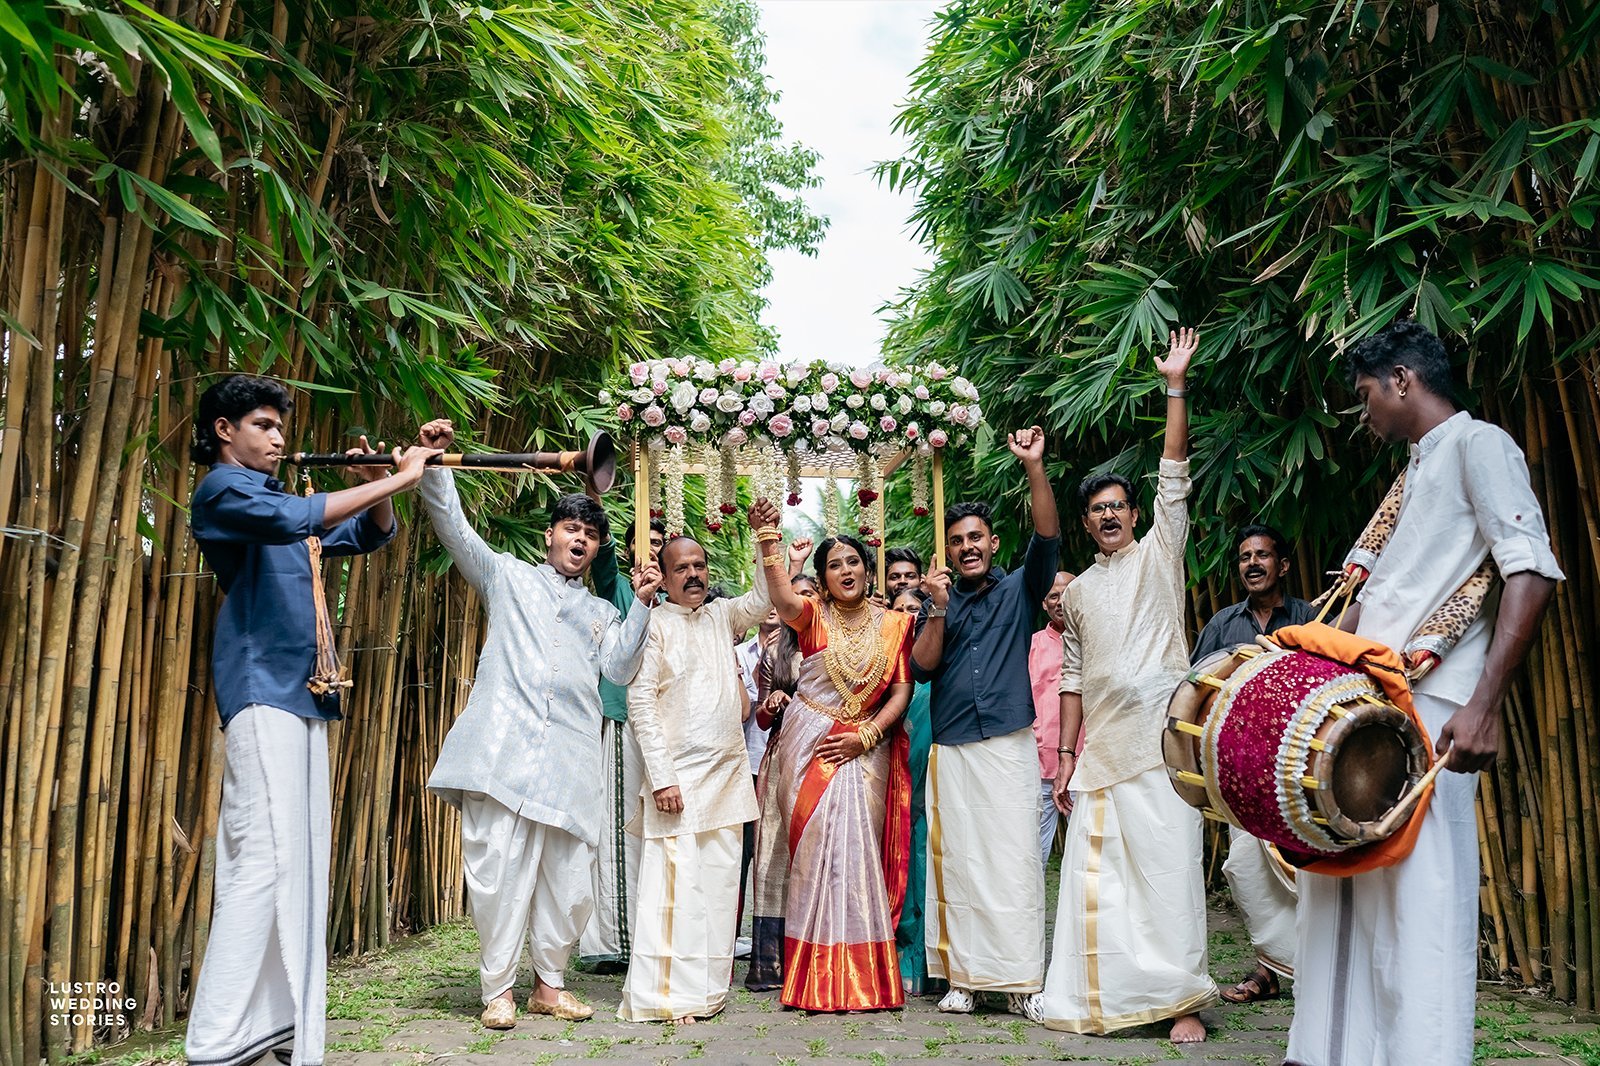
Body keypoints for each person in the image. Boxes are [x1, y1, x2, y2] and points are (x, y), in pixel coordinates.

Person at [1288, 321, 1561, 1066]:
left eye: (1367, 393)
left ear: (1404, 379)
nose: (1364, 410)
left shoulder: (1482, 445)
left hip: (1436, 711)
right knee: (1346, 896)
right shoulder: (1416, 465)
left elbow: (1529, 570)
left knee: (1422, 902)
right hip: (1371, 706)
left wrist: (1484, 704)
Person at [185, 376, 436, 1066]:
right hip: (260, 684)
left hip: (307, 690)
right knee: (261, 857)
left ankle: (267, 1026)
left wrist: (377, 483)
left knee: (295, 860)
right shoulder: (223, 491)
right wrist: (401, 477)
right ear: (224, 429)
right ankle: (215, 1041)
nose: (277, 437)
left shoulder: (274, 498)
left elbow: (365, 535)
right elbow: (301, 520)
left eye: (279, 427)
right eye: (262, 425)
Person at [417, 417, 659, 1031]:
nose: (580, 540)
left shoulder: (605, 611)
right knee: (497, 872)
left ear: (597, 550)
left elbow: (621, 670)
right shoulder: (507, 577)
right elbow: (455, 531)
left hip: (570, 758)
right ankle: (497, 989)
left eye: (590, 535)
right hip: (502, 751)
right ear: (550, 536)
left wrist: (645, 605)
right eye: (571, 529)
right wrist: (437, 467)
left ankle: (549, 986)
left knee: (569, 879)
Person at [1041, 327, 1217, 1044]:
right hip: (1104, 754)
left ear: (1135, 515)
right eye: (1097, 511)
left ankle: (1182, 1001)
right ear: (1086, 525)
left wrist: (1175, 384)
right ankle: (1108, 997)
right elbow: (1074, 675)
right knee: (1103, 883)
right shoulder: (1077, 593)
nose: (1109, 516)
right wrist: (1065, 756)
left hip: (1164, 744)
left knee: (1170, 873)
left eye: (1119, 505)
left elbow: (1174, 470)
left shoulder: (1160, 556)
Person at [912, 426, 1060, 1019]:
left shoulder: (1020, 591)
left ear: (993, 543)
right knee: (960, 863)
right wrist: (939, 609)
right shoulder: (935, 601)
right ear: (946, 551)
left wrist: (1033, 467)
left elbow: (1047, 534)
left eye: (976, 538)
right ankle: (965, 979)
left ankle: (1022, 983)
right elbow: (922, 669)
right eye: (956, 541)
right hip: (951, 748)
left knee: (1014, 859)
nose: (967, 547)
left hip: (1007, 743)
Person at [619, 507, 774, 1024]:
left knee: (719, 886)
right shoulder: (654, 624)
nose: (694, 575)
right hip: (677, 783)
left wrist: (762, 539)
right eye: (682, 568)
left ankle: (707, 993)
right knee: (676, 892)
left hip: (727, 779)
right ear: (662, 578)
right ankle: (669, 996)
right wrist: (661, 777)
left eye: (701, 565)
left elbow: (763, 599)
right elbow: (640, 704)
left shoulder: (722, 616)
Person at [758, 525, 915, 1012]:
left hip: (867, 749)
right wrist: (769, 548)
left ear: (869, 572)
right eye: (834, 565)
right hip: (811, 748)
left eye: (853, 562)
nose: (845, 570)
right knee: (813, 854)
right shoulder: (813, 617)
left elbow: (901, 691)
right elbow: (784, 603)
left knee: (858, 854)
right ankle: (813, 980)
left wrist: (867, 735)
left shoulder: (894, 625)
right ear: (823, 581)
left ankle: (864, 980)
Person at [1190, 523, 1314, 1003]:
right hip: (1243, 770)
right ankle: (1273, 964)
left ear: (1282, 565)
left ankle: (1306, 968)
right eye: (1244, 557)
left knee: (1304, 872)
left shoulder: (1310, 617)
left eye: (1262, 555)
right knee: (1246, 867)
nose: (1252, 564)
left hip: (1302, 766)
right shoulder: (1223, 624)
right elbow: (1196, 685)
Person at [580, 517, 668, 974]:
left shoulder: (676, 597)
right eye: (643, 545)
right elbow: (607, 559)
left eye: (658, 544)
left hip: (668, 729)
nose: (651, 553)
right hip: (624, 721)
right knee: (619, 830)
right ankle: (617, 941)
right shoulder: (619, 588)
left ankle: (656, 933)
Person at [745, 567, 819, 991]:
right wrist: (773, 704)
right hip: (780, 757)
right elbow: (759, 716)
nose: (803, 603)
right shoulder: (776, 649)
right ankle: (771, 964)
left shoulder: (836, 644)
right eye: (797, 595)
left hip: (825, 757)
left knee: (813, 852)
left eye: (810, 594)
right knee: (773, 853)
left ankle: (814, 956)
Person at [889, 587, 942, 997]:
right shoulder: (880, 664)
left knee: (926, 862)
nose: (907, 616)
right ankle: (898, 956)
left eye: (914, 610)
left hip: (930, 780)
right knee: (895, 859)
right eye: (899, 609)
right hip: (890, 781)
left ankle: (927, 962)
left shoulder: (934, 666)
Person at [1027, 571, 1077, 869]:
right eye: (1053, 596)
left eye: (1067, 593)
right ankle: (1031, 915)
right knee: (1036, 853)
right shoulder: (1032, 644)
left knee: (1090, 853)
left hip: (1087, 766)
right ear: (1044, 604)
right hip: (1041, 766)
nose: (1061, 602)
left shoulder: (1095, 639)